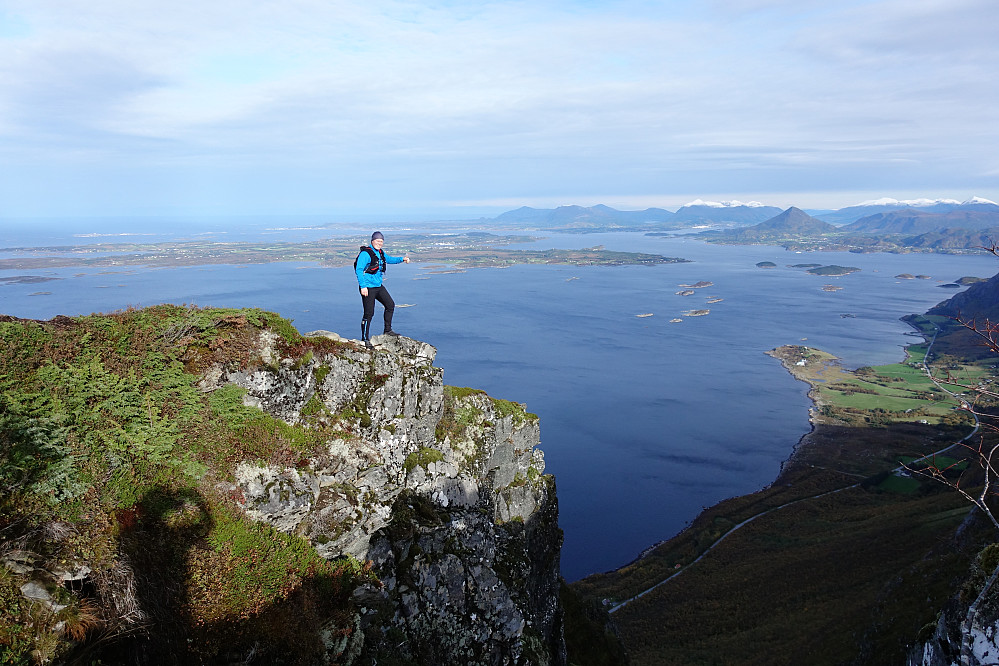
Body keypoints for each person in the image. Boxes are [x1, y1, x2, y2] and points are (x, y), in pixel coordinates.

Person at [355, 231, 410, 348]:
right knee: (369, 313)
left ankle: (387, 330)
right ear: (372, 241)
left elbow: (388, 259)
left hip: (378, 286)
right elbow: (359, 270)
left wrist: (402, 259)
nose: (379, 243)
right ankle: (364, 338)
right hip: (368, 288)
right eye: (378, 241)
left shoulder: (380, 252)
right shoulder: (365, 254)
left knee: (390, 305)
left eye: (381, 241)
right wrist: (363, 286)